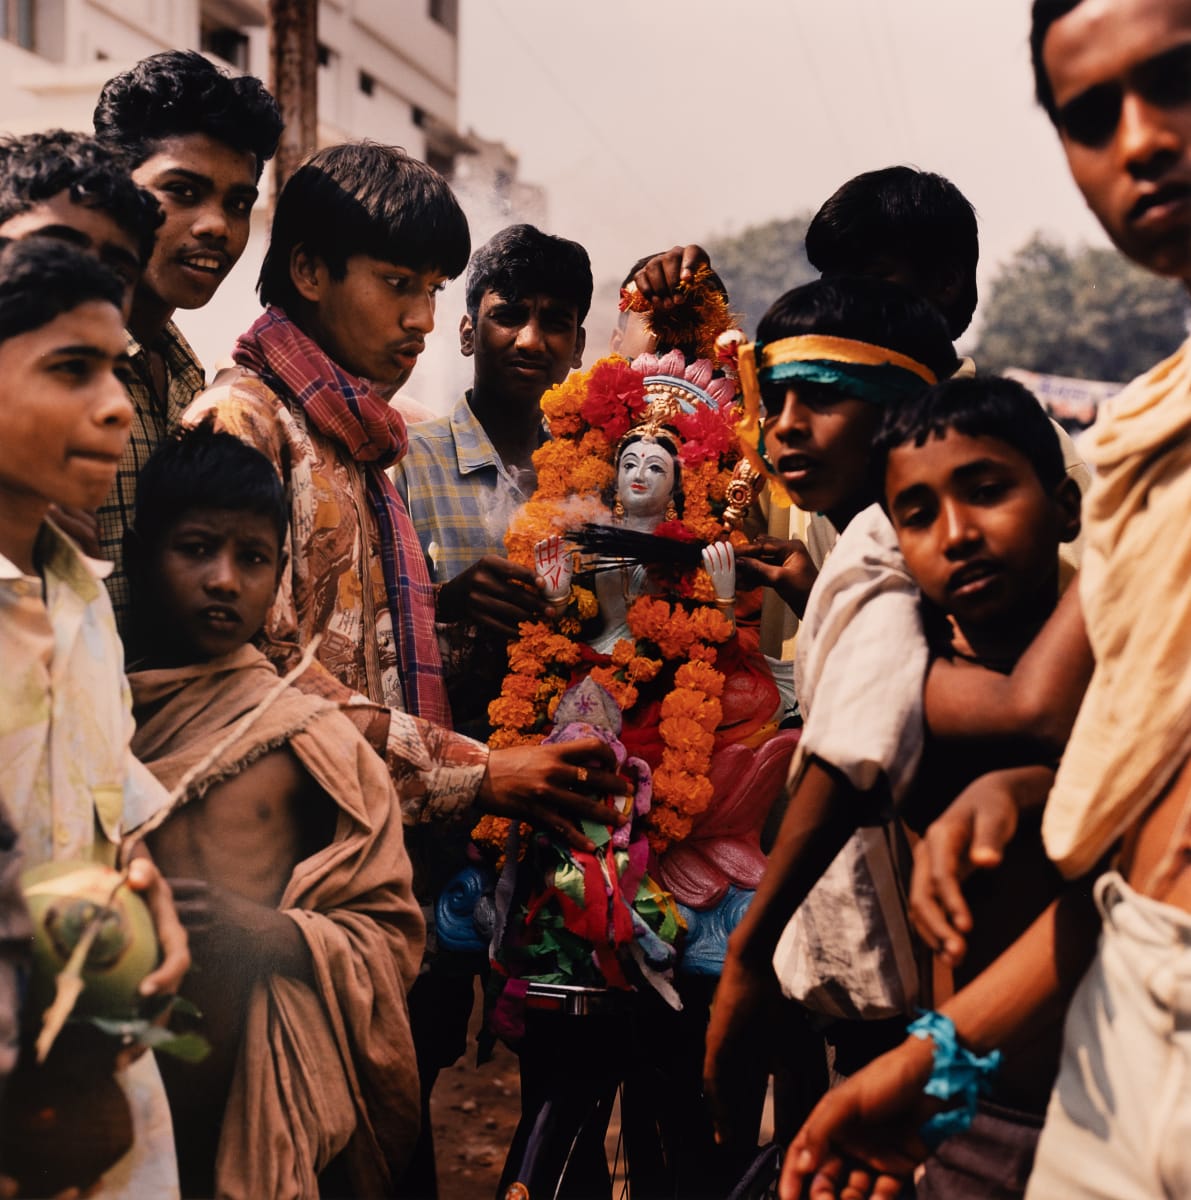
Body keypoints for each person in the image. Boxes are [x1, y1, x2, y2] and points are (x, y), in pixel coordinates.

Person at [780, 0, 1191, 1196]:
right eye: (1090, 113)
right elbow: (1140, 861)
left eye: (1174, 81)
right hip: (1117, 1010)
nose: (1142, 140)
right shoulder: (1153, 438)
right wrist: (939, 1060)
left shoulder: (1091, 458)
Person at [181, 140, 626, 1196]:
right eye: (399, 285)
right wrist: (485, 771)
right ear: (309, 274)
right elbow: (254, 687)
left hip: (352, 889)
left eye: (432, 291)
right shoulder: (246, 427)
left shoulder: (352, 440)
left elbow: (360, 658)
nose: (424, 321)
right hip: (267, 902)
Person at [123, 425, 424, 1198]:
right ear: (138, 554)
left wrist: (274, 935)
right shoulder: (86, 719)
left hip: (249, 1088)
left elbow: (387, 931)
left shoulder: (306, 739)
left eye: (253, 558)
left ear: (280, 573)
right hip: (105, 1077)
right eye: (196, 549)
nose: (224, 579)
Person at [701, 276, 959, 1144]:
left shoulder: (884, 542)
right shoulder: (864, 541)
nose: (784, 427)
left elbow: (848, 759)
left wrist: (745, 959)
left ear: (898, 412)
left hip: (898, 1002)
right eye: (773, 402)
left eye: (822, 399)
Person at [0, 236, 189, 1197]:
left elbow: (93, 812)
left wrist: (136, 881)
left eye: (118, 368)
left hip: (94, 1088)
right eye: (71, 370)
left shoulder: (83, 602)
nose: (116, 404)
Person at [871, 375, 1082, 1197]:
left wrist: (1024, 789)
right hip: (973, 1104)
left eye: (986, 491)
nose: (956, 534)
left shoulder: (1137, 659)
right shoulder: (918, 678)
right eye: (917, 514)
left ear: (1065, 508)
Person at [92, 49, 283, 629]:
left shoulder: (187, 379)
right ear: (110, 188)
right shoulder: (46, 374)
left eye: (238, 203)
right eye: (182, 191)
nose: (217, 226)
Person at [394, 223, 592, 735]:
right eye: (508, 316)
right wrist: (446, 603)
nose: (529, 340)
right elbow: (360, 620)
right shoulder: (407, 462)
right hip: (442, 759)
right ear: (467, 333)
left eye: (555, 322)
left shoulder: (596, 477)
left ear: (577, 348)